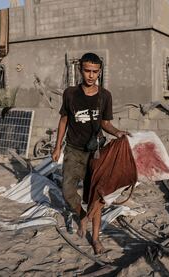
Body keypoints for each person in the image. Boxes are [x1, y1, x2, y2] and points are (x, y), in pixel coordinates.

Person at [52, 52, 128, 254]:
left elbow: (106, 124)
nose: (91, 75)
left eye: (95, 71)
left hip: (95, 153)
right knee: (68, 192)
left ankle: (95, 239)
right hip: (73, 150)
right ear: (80, 70)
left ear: (100, 72)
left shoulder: (105, 96)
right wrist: (57, 147)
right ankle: (83, 216)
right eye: (87, 70)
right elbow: (63, 121)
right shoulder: (70, 94)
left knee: (95, 196)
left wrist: (117, 132)